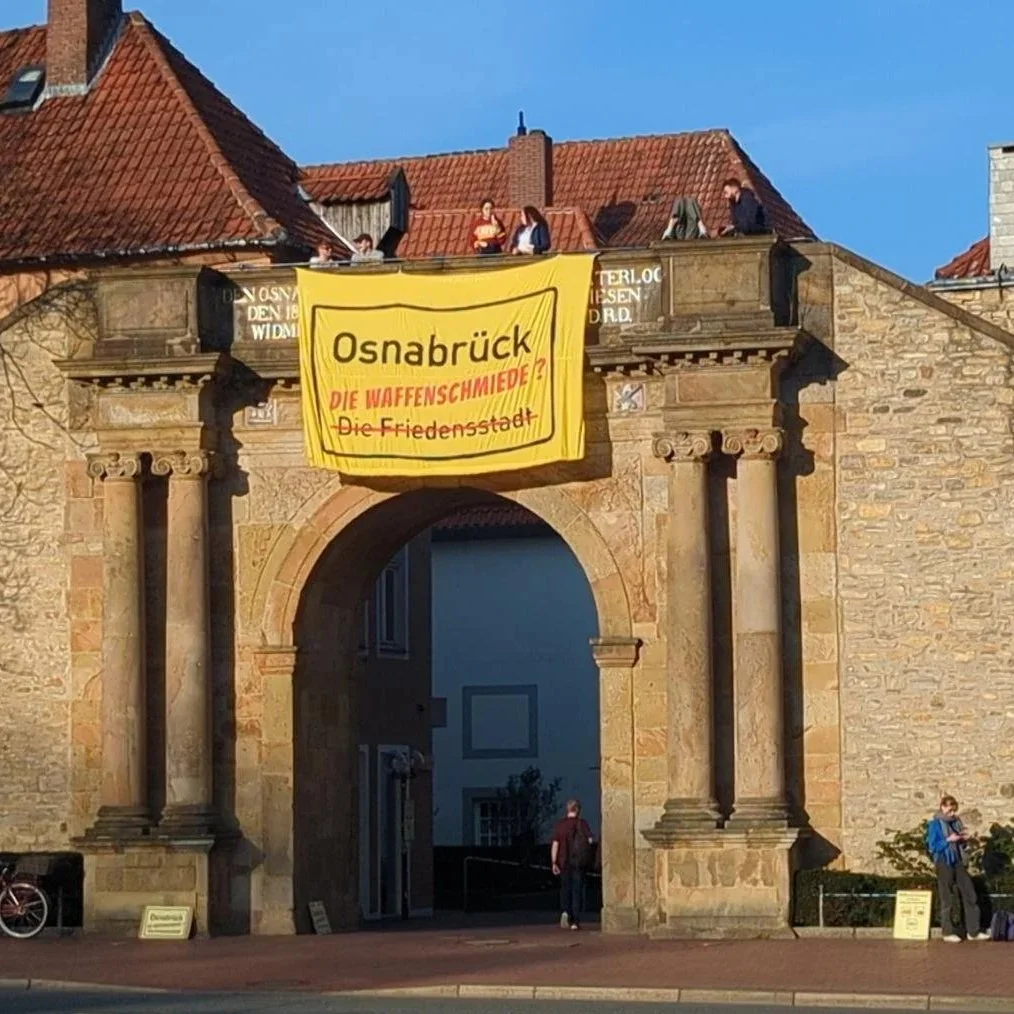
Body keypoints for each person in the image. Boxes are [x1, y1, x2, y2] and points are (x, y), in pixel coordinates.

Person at [927, 795, 990, 942]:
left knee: (969, 893)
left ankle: (973, 931)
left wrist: (963, 839)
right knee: (947, 896)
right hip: (944, 860)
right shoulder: (935, 824)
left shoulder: (956, 822)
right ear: (942, 807)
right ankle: (947, 932)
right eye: (949, 810)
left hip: (958, 860)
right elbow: (933, 846)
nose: (952, 814)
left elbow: (961, 844)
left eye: (954, 810)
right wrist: (948, 840)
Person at [550, 799, 594, 931]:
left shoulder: (560, 825)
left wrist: (554, 862)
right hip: (578, 862)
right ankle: (575, 921)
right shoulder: (582, 823)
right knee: (577, 891)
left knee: (565, 888)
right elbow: (590, 840)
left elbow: (555, 844)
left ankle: (565, 911)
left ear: (567, 809)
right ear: (578, 810)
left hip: (564, 862)